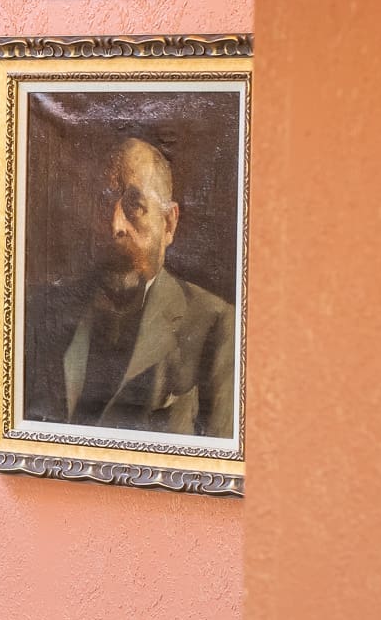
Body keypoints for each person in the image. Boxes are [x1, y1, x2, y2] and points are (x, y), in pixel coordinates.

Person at [25, 136, 235, 440]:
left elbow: (217, 464)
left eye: (134, 206)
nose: (115, 226)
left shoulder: (217, 325)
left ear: (169, 224)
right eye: (103, 202)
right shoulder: (39, 312)